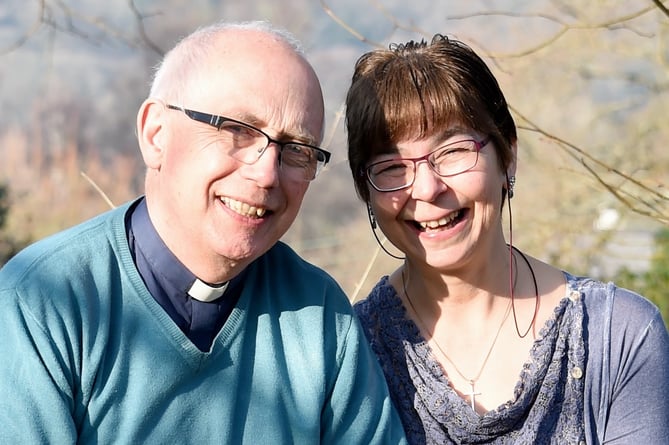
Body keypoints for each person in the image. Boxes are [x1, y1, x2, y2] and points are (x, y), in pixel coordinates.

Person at [0, 21, 407, 444]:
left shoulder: (319, 314)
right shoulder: (44, 303)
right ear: (155, 134)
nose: (267, 173)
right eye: (238, 131)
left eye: (296, 150)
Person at [345, 34, 669, 444]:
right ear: (366, 191)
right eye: (392, 166)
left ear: (507, 155)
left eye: (453, 151)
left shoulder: (618, 335)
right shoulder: (349, 355)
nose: (426, 188)